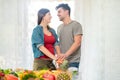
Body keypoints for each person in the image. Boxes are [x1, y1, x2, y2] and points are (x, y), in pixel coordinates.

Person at [56, 3, 83, 69]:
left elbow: (77, 42)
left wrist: (65, 55)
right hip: (62, 62)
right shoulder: (59, 28)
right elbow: (58, 44)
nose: (57, 14)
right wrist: (59, 57)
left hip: (73, 61)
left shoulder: (76, 25)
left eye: (59, 11)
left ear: (66, 12)